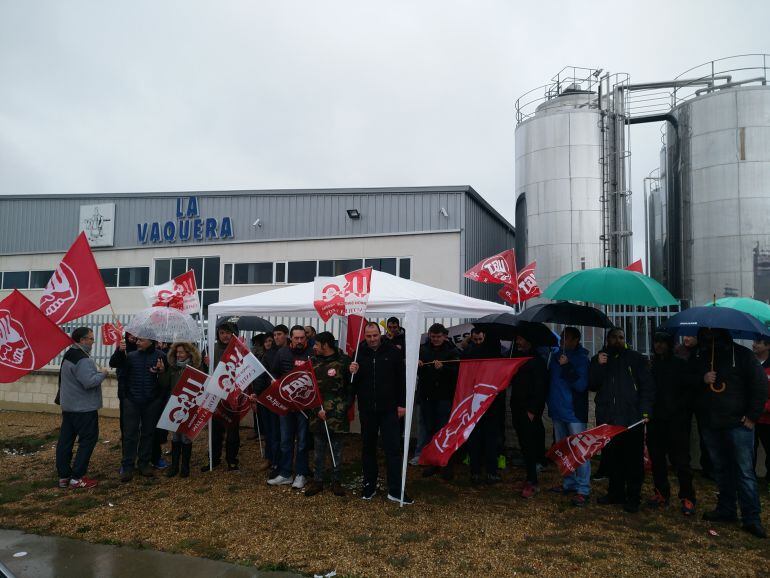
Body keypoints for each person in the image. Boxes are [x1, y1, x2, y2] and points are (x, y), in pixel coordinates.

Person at [696, 328, 767, 538]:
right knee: (721, 469)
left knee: (744, 472)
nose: (710, 341)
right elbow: (690, 384)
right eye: (707, 337)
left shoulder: (744, 356)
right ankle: (726, 509)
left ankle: (752, 518)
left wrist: (752, 416)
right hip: (711, 423)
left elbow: (760, 385)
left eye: (714, 336)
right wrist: (703, 379)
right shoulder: (703, 358)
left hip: (738, 424)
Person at [588, 327, 654, 513]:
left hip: (632, 419)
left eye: (621, 337)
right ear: (608, 339)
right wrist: (599, 365)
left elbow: (647, 387)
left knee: (633, 461)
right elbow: (592, 384)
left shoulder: (636, 359)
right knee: (613, 458)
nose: (618, 340)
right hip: (609, 418)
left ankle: (633, 497)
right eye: (614, 337)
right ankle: (615, 493)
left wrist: (645, 412)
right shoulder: (600, 359)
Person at [350, 322, 412, 504]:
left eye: (375, 335)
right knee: (368, 448)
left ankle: (395, 490)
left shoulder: (393, 352)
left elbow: (402, 380)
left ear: (380, 333)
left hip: (389, 409)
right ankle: (369, 485)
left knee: (393, 449)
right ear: (365, 336)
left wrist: (402, 404)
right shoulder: (358, 354)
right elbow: (353, 384)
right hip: (368, 409)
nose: (372, 339)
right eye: (368, 336)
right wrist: (352, 372)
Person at [646, 331, 697, 515]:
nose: (658, 345)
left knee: (681, 461)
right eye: (656, 342)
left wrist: (678, 409)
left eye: (662, 342)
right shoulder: (651, 365)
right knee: (657, 459)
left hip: (676, 421)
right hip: (655, 420)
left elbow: (689, 391)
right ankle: (661, 492)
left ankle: (688, 497)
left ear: (669, 344)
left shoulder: (680, 365)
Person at [56, 327, 109, 489]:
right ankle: (77, 477)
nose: (93, 342)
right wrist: (103, 374)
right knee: (88, 441)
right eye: (91, 339)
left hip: (69, 406)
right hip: (84, 408)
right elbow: (89, 382)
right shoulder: (83, 359)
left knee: (65, 441)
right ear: (82, 340)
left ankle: (64, 476)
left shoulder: (69, 355)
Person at [110, 335, 167, 482]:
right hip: (131, 401)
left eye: (141, 340)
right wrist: (118, 351)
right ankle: (127, 466)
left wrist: (162, 371)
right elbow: (115, 364)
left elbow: (167, 379)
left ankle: (144, 464)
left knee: (148, 433)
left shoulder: (161, 356)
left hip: (152, 402)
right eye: (138, 340)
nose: (138, 342)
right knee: (129, 434)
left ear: (151, 341)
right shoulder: (130, 356)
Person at [305, 331, 353, 497]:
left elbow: (350, 389)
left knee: (336, 450)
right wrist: (316, 410)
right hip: (318, 414)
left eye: (317, 344)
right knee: (318, 451)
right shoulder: (312, 362)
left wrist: (342, 408)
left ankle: (336, 481)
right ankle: (318, 481)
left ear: (325, 345)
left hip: (337, 416)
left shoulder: (344, 361)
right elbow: (308, 389)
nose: (314, 347)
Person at [547, 327, 591, 507]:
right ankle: (568, 482)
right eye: (562, 336)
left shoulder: (581, 359)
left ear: (576, 340)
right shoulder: (556, 355)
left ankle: (583, 488)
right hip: (558, 410)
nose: (561, 340)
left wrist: (567, 366)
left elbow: (581, 385)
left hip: (574, 413)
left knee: (580, 451)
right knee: (564, 450)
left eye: (566, 338)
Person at [268, 325, 313, 489]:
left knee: (302, 442)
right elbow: (273, 373)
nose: (300, 341)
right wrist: (274, 381)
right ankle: (285, 473)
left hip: (304, 406)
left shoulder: (312, 353)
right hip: (286, 405)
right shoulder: (282, 353)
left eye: (303, 338)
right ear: (291, 338)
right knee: (285, 440)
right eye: (297, 338)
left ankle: (301, 474)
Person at [417, 323, 460, 479]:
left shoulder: (452, 351)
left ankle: (446, 464)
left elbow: (458, 372)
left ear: (445, 336)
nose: (435, 339)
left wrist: (443, 368)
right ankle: (432, 463)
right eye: (433, 336)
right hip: (427, 397)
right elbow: (413, 370)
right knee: (430, 430)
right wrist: (418, 365)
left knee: (444, 431)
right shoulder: (423, 349)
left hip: (444, 398)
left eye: (438, 337)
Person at [509, 331, 548, 498]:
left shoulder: (537, 361)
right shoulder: (517, 358)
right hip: (517, 408)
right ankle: (529, 476)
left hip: (529, 411)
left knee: (530, 445)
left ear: (529, 342)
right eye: (516, 339)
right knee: (524, 445)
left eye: (520, 339)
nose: (517, 342)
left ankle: (533, 481)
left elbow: (541, 388)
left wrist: (533, 410)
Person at [465, 330, 506, 484]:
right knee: (491, 439)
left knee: (475, 437)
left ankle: (475, 471)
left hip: (475, 401)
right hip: (492, 404)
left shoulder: (472, 353)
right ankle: (491, 471)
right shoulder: (500, 358)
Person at [160, 342, 205, 478]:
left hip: (190, 406)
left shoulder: (197, 368)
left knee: (186, 437)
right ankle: (174, 466)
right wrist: (162, 372)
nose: (178, 355)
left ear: (189, 353)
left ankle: (185, 466)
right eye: (177, 352)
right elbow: (164, 384)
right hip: (175, 407)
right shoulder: (173, 368)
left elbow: (202, 384)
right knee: (175, 436)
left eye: (181, 352)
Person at [203, 322, 243, 472]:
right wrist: (206, 363)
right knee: (214, 431)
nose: (225, 336)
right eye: (222, 333)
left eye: (229, 332)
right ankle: (213, 459)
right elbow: (203, 374)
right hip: (214, 395)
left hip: (233, 396)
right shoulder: (210, 350)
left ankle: (232, 460)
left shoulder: (239, 349)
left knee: (233, 431)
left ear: (234, 334)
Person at [677, 335, 713, 479]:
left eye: (690, 336)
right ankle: (682, 464)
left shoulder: (705, 352)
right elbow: (680, 377)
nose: (686, 338)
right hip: (684, 399)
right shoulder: (679, 352)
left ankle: (708, 467)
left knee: (705, 434)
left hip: (702, 399)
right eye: (685, 335)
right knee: (682, 434)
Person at [752, 339, 770, 492]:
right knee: (749, 450)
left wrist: (762, 407)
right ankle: (749, 482)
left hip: (766, 418)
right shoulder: (750, 363)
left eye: (758, 342)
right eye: (754, 341)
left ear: (768, 346)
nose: (754, 345)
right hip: (750, 417)